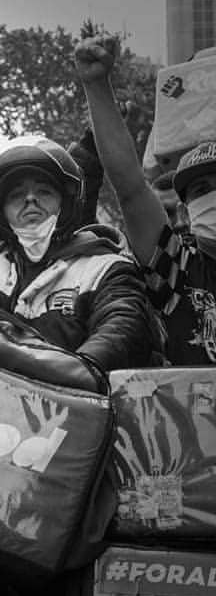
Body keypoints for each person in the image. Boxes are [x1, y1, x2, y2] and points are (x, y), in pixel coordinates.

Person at [0, 133, 155, 375]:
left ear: (67, 203)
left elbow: (123, 323)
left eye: (44, 191)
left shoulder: (105, 267)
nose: (30, 199)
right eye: (16, 195)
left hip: (67, 403)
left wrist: (78, 370)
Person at [77, 36, 214, 365]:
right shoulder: (177, 268)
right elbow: (132, 189)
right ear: (184, 212)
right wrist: (96, 84)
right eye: (201, 190)